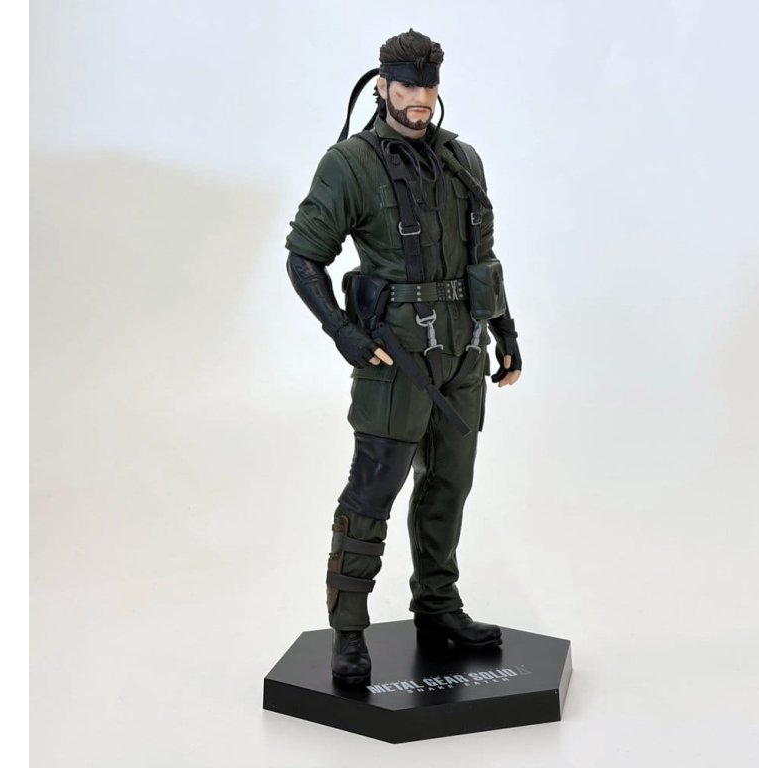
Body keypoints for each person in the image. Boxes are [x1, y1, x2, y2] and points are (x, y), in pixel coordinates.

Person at [285, 29, 523, 686]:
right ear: (383, 85)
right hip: (393, 359)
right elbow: (304, 257)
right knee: (373, 491)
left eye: (429, 85)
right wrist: (344, 333)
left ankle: (438, 608)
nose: (420, 98)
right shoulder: (350, 164)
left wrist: (505, 330)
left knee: (449, 485)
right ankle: (349, 631)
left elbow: (483, 257)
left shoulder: (462, 160)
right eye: (408, 85)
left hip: (462, 353)